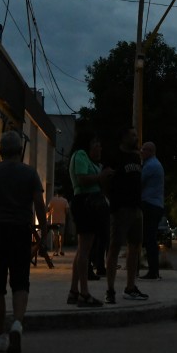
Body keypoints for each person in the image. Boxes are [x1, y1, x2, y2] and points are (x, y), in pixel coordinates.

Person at [0, 131, 47, 353]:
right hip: (20, 231)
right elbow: (39, 204)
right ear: (20, 151)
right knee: (20, 282)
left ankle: (1, 335)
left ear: (1, 151)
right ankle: (17, 323)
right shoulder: (30, 174)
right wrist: (43, 232)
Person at [67, 129, 112, 307]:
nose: (99, 147)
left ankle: (74, 291)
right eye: (96, 143)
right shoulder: (80, 156)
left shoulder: (90, 160)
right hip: (85, 203)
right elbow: (83, 179)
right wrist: (101, 176)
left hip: (87, 204)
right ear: (87, 144)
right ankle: (84, 294)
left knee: (82, 250)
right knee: (85, 250)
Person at [105, 127, 148, 304]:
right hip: (120, 209)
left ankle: (130, 287)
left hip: (136, 209)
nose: (136, 138)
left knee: (134, 248)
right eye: (132, 135)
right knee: (115, 248)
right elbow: (106, 181)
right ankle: (110, 290)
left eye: (136, 135)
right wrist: (113, 201)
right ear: (123, 138)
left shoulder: (136, 157)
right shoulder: (114, 157)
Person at [139, 141, 164, 280]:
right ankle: (153, 270)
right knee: (150, 238)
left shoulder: (150, 166)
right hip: (155, 205)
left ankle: (153, 271)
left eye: (143, 150)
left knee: (149, 239)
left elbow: (139, 182)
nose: (141, 152)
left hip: (150, 205)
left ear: (150, 151)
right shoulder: (155, 164)